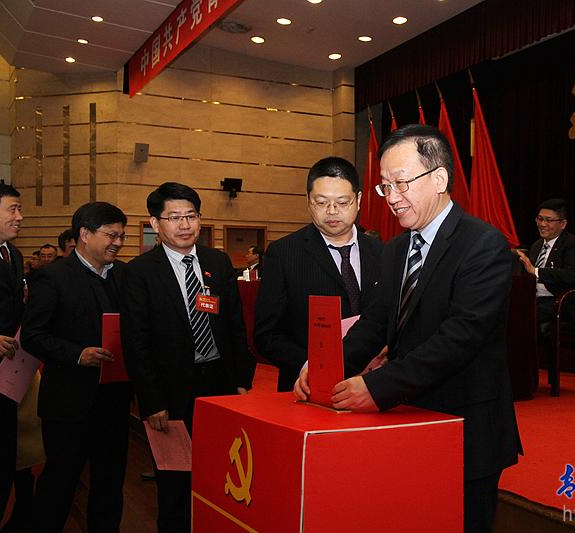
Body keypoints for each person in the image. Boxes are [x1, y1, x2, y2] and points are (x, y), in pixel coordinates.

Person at [295, 126, 520, 533]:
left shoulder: (483, 245)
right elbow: (376, 321)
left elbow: (460, 337)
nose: (392, 197)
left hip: (465, 427)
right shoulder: (397, 248)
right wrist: (326, 365)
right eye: (385, 186)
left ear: (439, 178)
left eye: (400, 183)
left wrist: (378, 386)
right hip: (407, 419)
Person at [121, 182, 255, 533]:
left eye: (191, 216)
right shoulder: (139, 272)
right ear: (156, 223)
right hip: (171, 391)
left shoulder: (217, 262)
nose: (184, 225)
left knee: (221, 472)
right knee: (175, 482)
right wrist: (152, 401)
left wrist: (242, 381)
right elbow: (136, 343)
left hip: (220, 385)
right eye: (174, 217)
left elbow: (235, 325)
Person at [21, 202, 131, 533]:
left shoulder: (124, 275)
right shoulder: (52, 276)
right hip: (69, 402)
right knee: (60, 482)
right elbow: (33, 335)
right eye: (111, 235)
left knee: (110, 483)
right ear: (84, 234)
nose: (118, 243)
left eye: (122, 236)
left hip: (114, 399)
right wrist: (77, 354)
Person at [254, 157, 382, 392]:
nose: (332, 211)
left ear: (359, 200)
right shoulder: (283, 254)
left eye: (342, 202)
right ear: (308, 201)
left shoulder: (382, 252)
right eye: (321, 202)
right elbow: (266, 334)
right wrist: (310, 366)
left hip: (373, 385)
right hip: (307, 387)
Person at [0, 183, 25, 533]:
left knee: (3, 458)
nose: (20, 217)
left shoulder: (13, 255)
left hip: (8, 377)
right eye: (12, 209)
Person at [516, 199, 575, 333]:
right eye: (540, 219)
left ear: (563, 224)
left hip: (559, 302)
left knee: (521, 315)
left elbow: (572, 275)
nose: (542, 224)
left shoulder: (573, 243)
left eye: (549, 220)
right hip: (535, 299)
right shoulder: (536, 245)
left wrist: (535, 271)